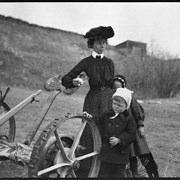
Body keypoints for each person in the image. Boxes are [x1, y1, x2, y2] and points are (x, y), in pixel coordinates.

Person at [60, 26, 115, 176]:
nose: (102, 45)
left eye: (104, 42)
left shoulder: (110, 63)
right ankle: (86, 167)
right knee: (89, 130)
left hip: (108, 99)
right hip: (93, 100)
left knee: (107, 129)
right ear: (92, 44)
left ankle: (105, 168)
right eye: (99, 43)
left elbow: (113, 84)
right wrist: (76, 81)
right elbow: (66, 78)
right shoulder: (86, 62)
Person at [111, 74, 159, 178]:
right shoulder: (114, 100)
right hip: (125, 134)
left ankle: (153, 173)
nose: (116, 90)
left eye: (118, 88)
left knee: (143, 152)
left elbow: (138, 111)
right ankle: (134, 173)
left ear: (124, 87)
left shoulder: (129, 96)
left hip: (135, 132)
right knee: (131, 155)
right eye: (113, 88)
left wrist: (141, 125)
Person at [83, 87, 136, 177]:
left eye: (119, 105)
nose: (116, 106)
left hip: (119, 155)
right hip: (106, 153)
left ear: (126, 106)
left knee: (118, 174)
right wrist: (90, 117)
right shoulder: (108, 114)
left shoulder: (129, 119)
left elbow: (131, 134)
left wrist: (119, 140)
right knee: (103, 173)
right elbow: (99, 119)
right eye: (114, 103)